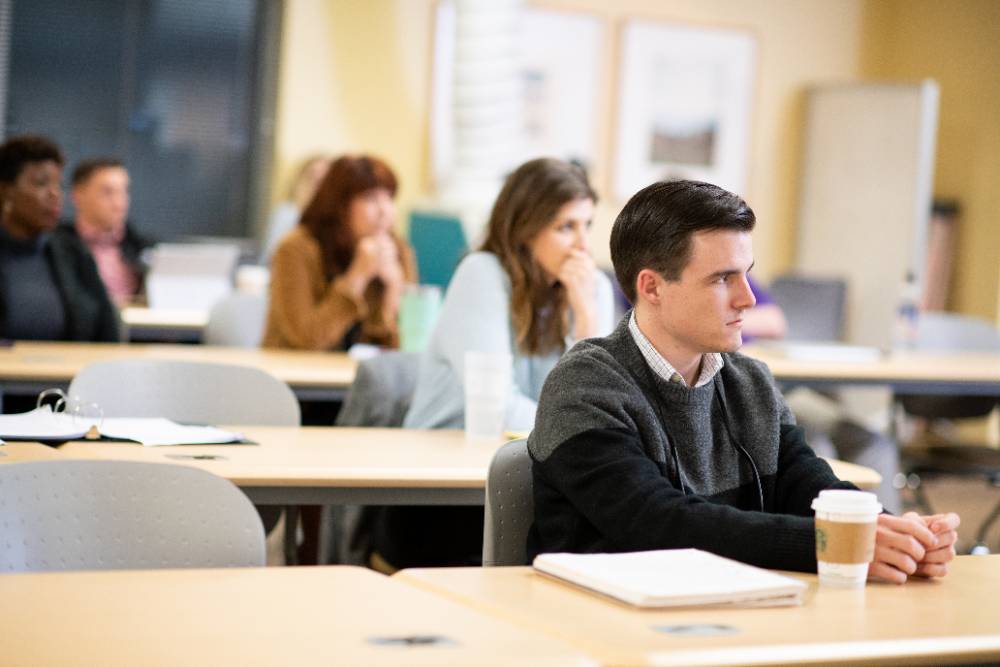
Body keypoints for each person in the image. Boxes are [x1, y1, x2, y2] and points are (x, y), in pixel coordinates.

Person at [528, 179, 959, 584]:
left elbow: (807, 484)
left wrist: (891, 530)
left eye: (746, 274)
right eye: (722, 278)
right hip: (603, 628)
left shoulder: (749, 381)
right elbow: (656, 523)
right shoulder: (585, 384)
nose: (748, 299)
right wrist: (839, 544)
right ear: (653, 287)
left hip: (727, 607)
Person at [372, 157, 616, 569]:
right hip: (442, 494)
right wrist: (578, 428)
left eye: (587, 226)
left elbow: (602, 411)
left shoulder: (590, 292)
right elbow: (502, 409)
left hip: (533, 482)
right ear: (524, 230)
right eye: (565, 227)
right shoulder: (481, 274)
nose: (582, 246)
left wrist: (587, 319)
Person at [263, 154, 416, 352]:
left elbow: (402, 354)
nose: (384, 211)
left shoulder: (397, 251)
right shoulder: (296, 249)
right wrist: (357, 277)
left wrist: (394, 292)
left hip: (359, 380)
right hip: (298, 377)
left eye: (389, 198)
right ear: (340, 206)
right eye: (370, 199)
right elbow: (306, 340)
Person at [0, 135, 119, 343]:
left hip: (68, 373)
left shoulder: (73, 253)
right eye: (41, 183)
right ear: (6, 190)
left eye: (58, 185)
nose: (54, 194)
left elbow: (107, 329)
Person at [54, 158, 152, 306]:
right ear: (78, 195)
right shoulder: (56, 246)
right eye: (108, 192)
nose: (119, 203)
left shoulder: (141, 247)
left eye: (124, 191)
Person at [261, 155, 331, 261]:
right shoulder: (287, 213)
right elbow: (272, 255)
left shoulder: (333, 219)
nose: (317, 185)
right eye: (312, 177)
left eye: (323, 179)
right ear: (300, 180)